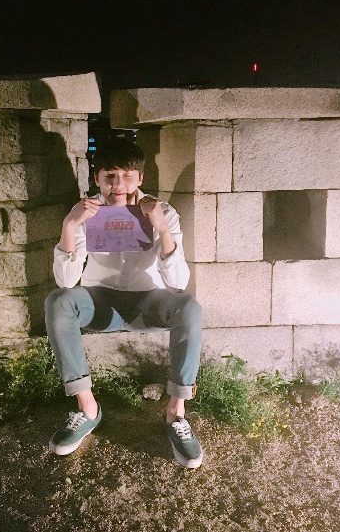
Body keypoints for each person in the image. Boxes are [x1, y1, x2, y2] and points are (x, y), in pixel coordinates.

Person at [44, 137, 203, 468]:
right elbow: (66, 281)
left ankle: (176, 412)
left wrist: (161, 228)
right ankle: (87, 408)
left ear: (140, 178)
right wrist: (70, 225)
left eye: (128, 177)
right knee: (58, 300)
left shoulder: (164, 212)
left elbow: (178, 283)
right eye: (110, 177)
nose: (118, 185)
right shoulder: (87, 212)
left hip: (149, 303)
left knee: (189, 306)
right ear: (97, 178)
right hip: (99, 303)